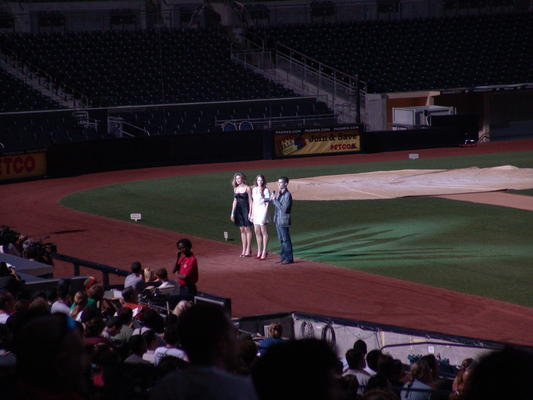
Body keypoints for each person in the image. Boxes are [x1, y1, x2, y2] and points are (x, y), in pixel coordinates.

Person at [270, 176, 293, 264]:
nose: (279, 184)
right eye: (278, 182)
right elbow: (276, 205)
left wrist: (275, 200)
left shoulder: (287, 195)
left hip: (283, 220)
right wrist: (273, 199)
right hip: (277, 219)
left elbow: (284, 209)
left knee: (286, 240)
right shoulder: (279, 193)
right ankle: (283, 257)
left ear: (286, 184)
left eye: (280, 182)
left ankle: (289, 258)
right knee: (281, 240)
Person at [230, 172, 253, 257]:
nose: (237, 180)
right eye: (236, 178)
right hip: (238, 211)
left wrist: (250, 212)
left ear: (242, 179)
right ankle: (244, 249)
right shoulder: (235, 189)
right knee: (242, 230)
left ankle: (248, 249)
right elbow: (235, 201)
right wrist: (232, 213)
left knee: (247, 229)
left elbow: (250, 200)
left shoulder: (247, 188)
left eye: (239, 178)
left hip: (246, 210)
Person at [251, 174, 271, 260]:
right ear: (256, 181)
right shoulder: (254, 189)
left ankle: (264, 251)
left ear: (263, 181)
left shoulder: (266, 190)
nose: (260, 182)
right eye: (258, 180)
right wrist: (251, 213)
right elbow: (253, 202)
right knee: (257, 232)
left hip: (262, 211)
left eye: (261, 180)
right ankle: (259, 250)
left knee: (264, 232)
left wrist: (264, 216)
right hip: (255, 212)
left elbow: (267, 204)